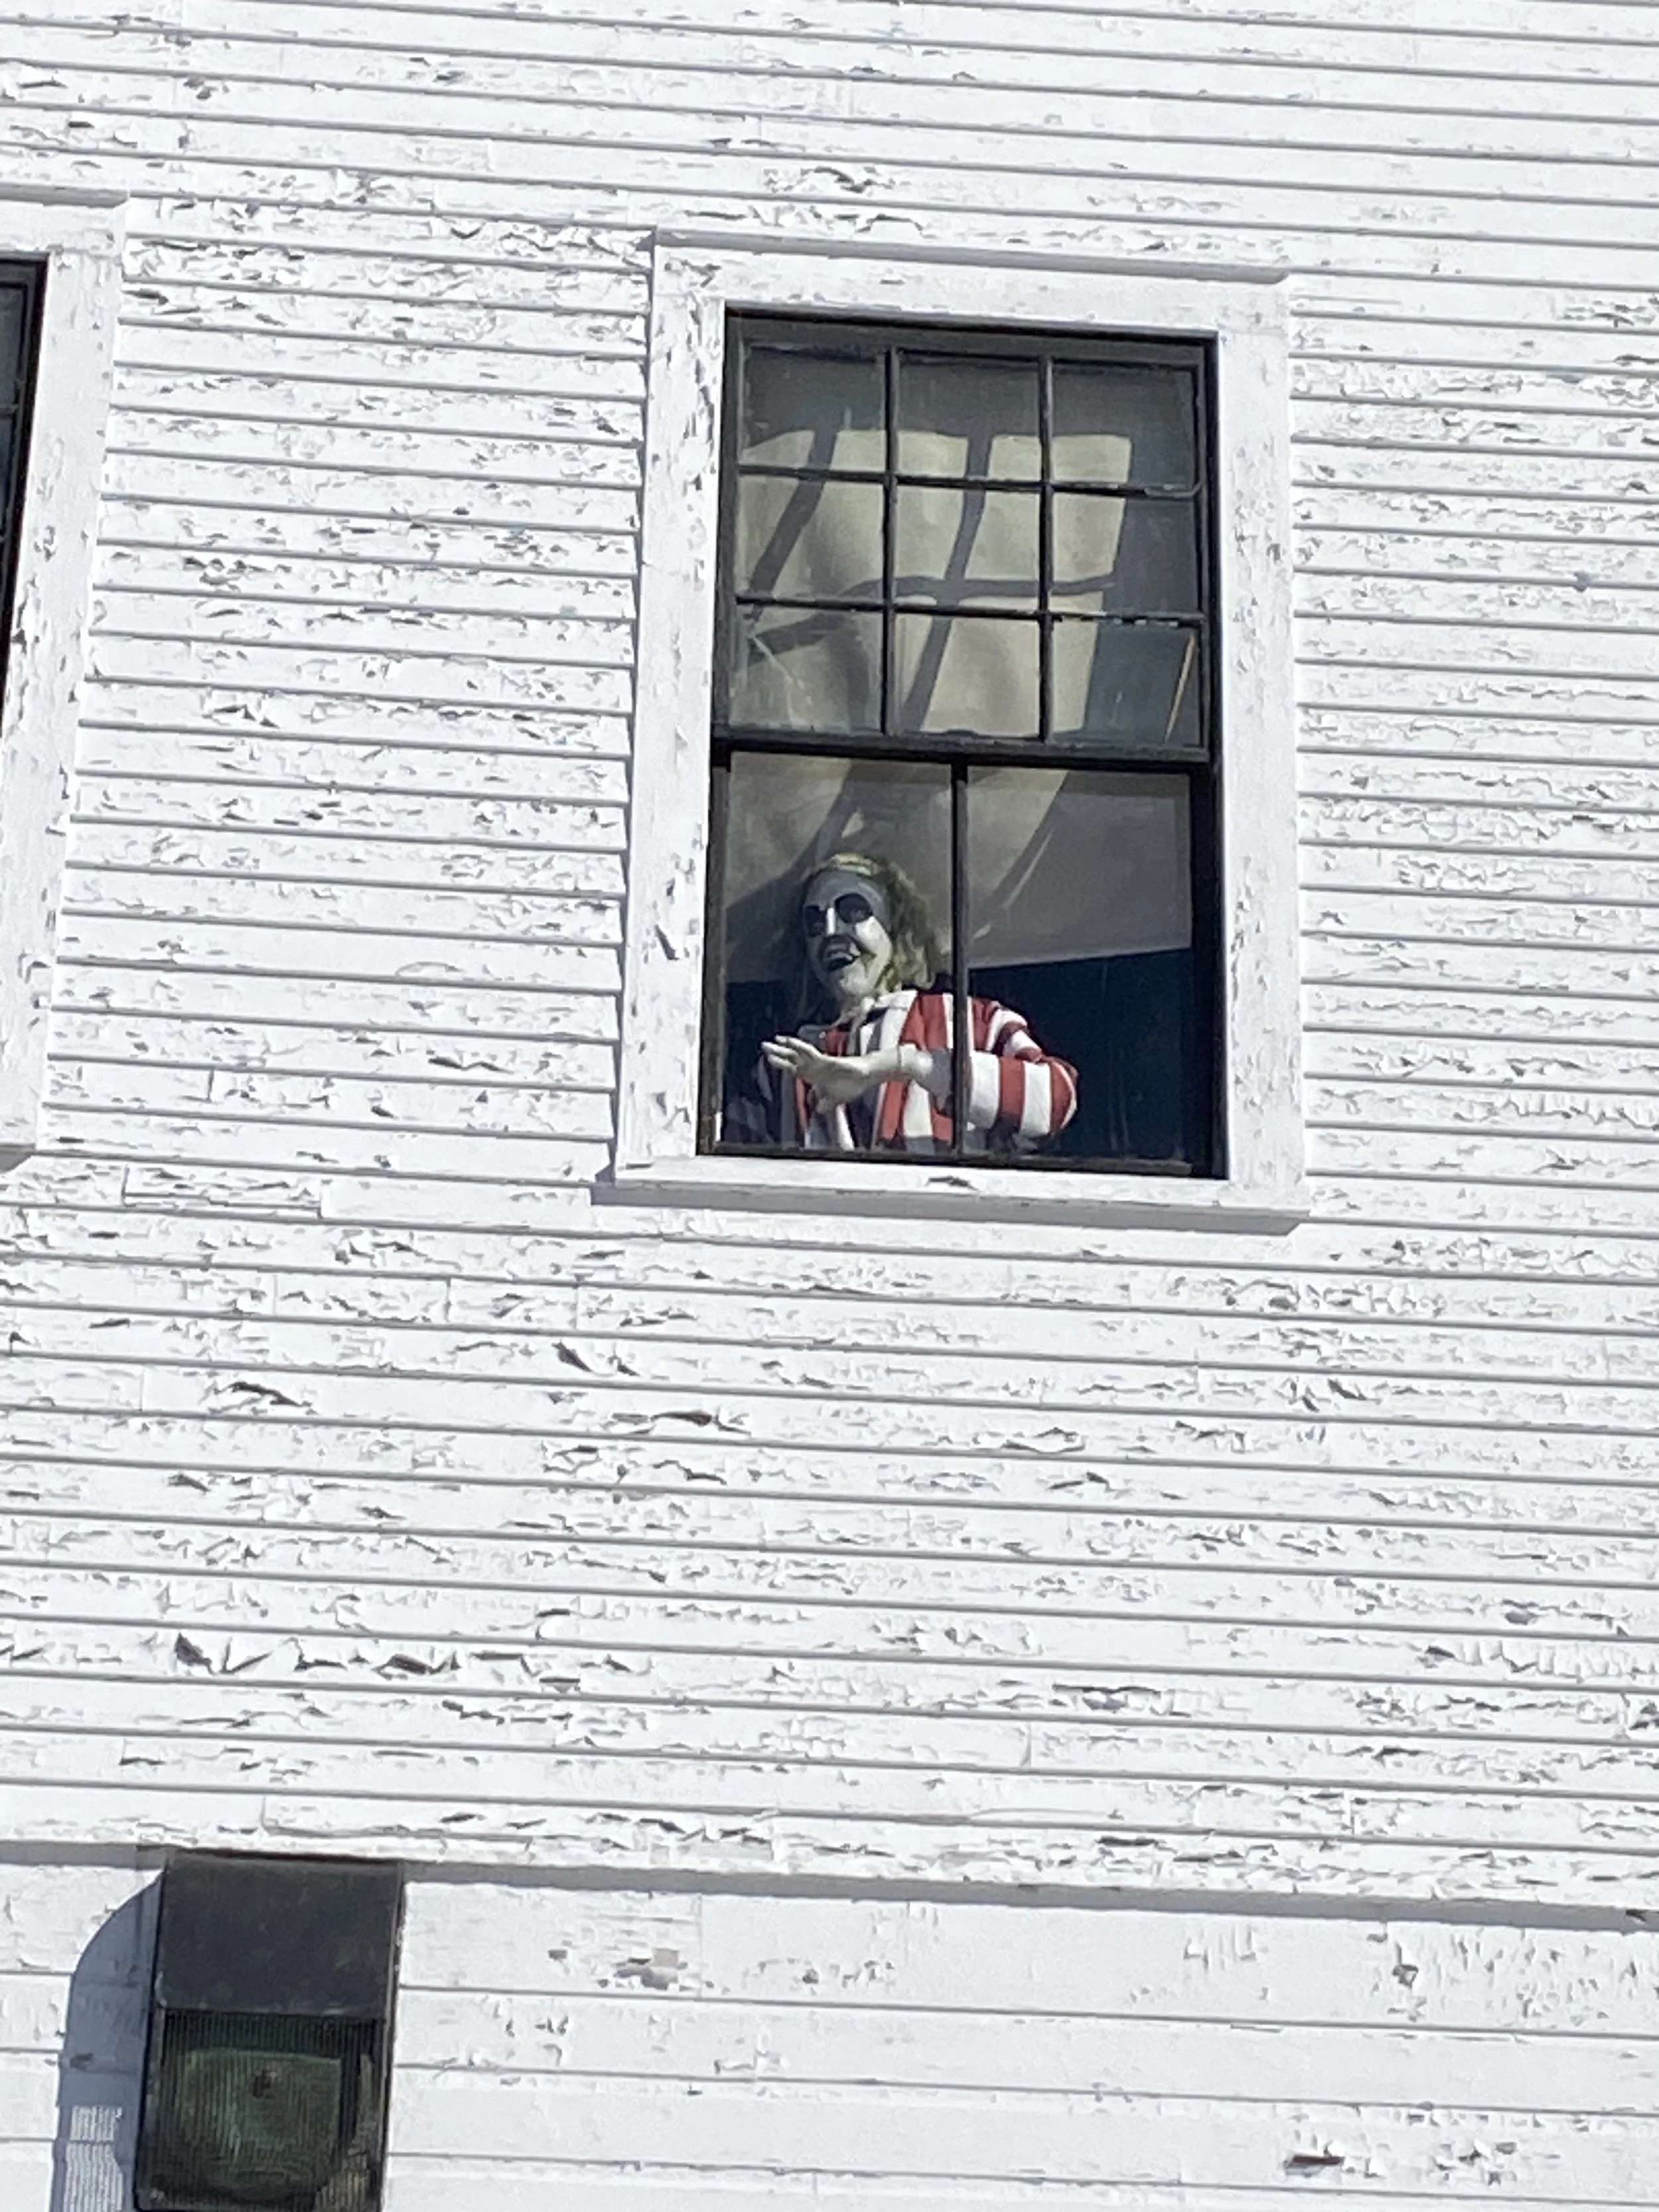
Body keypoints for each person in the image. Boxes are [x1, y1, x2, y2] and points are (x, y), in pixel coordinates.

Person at [726, 849, 1078, 1154]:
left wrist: (910, 1065)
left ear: (896, 928)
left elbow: (1056, 1100)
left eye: (852, 911)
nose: (830, 931)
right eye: (814, 922)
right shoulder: (778, 1070)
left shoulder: (969, 1022)